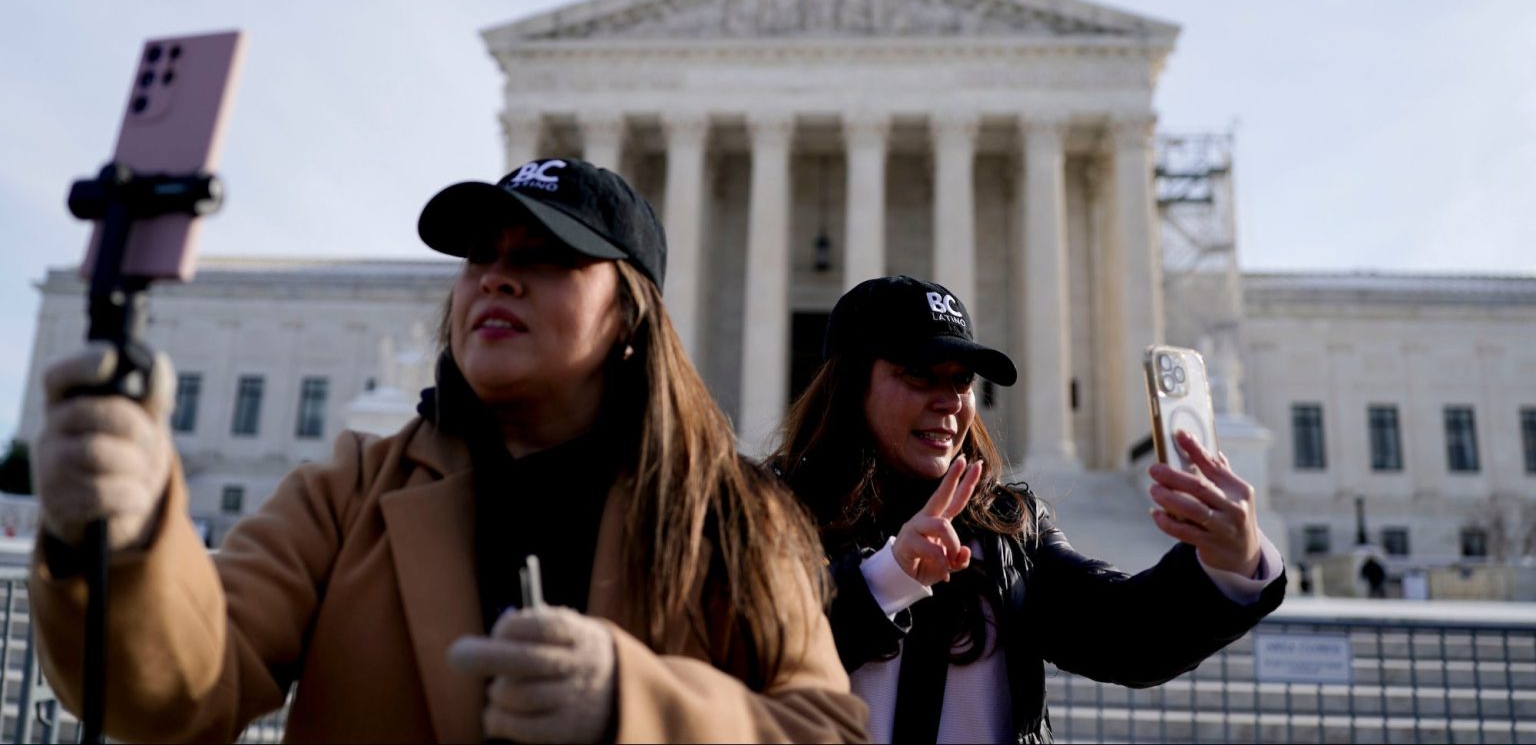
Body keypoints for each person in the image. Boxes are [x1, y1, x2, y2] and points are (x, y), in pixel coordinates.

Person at [31, 158, 869, 744]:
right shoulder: (351, 490)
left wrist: (632, 708)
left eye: (545, 258)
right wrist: (126, 543)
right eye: (482, 257)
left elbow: (827, 730)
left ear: (629, 319)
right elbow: (180, 690)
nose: (497, 278)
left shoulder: (732, 518)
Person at [770, 275, 1286, 745]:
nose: (950, 401)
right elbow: (743, 650)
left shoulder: (1005, 528)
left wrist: (1230, 564)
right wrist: (886, 579)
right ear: (850, 384)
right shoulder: (768, 509)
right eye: (920, 375)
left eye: (961, 380)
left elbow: (1125, 636)